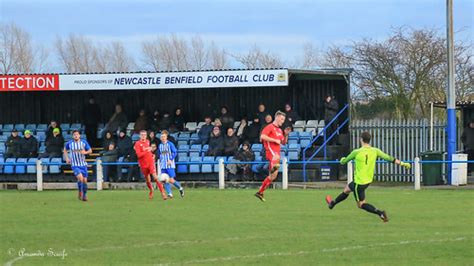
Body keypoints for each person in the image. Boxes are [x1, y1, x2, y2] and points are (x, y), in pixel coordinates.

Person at [325, 131, 411, 222]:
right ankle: (332, 203)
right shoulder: (375, 150)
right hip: (367, 181)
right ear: (369, 140)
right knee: (347, 189)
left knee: (361, 204)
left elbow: (344, 161)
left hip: (359, 182)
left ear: (361, 140)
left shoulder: (356, 152)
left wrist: (342, 159)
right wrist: (403, 163)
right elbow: (389, 158)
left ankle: (380, 213)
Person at [255, 111, 290, 202]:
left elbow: (283, 142)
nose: (282, 121)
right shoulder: (269, 127)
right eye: (282, 119)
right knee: (275, 166)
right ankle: (270, 169)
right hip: (271, 153)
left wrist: (286, 134)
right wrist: (274, 140)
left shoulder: (279, 130)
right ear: (277, 117)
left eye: (284, 120)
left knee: (273, 176)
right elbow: (262, 136)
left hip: (277, 153)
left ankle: (260, 192)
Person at [133, 130, 167, 200]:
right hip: (143, 164)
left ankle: (163, 193)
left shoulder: (148, 141)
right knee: (148, 180)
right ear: (140, 136)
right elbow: (139, 155)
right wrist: (147, 150)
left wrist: (152, 155)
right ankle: (151, 190)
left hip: (150, 162)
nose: (143, 136)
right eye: (142, 135)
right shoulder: (137, 144)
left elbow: (148, 152)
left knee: (155, 177)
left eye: (144, 135)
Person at [64, 130, 92, 201]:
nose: (76, 136)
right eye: (74, 134)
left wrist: (85, 152)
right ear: (72, 136)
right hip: (75, 164)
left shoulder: (83, 142)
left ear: (79, 135)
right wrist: (67, 158)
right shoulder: (70, 143)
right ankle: (81, 192)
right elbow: (65, 150)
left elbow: (90, 150)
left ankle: (84, 195)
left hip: (83, 164)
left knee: (85, 181)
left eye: (77, 134)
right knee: (81, 178)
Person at [158, 130, 184, 198]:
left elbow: (175, 152)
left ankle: (180, 188)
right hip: (163, 165)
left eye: (164, 136)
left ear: (166, 137)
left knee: (171, 180)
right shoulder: (160, 145)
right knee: (164, 180)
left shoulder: (170, 144)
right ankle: (170, 193)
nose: (163, 138)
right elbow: (160, 154)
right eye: (162, 137)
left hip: (170, 165)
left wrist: (170, 159)